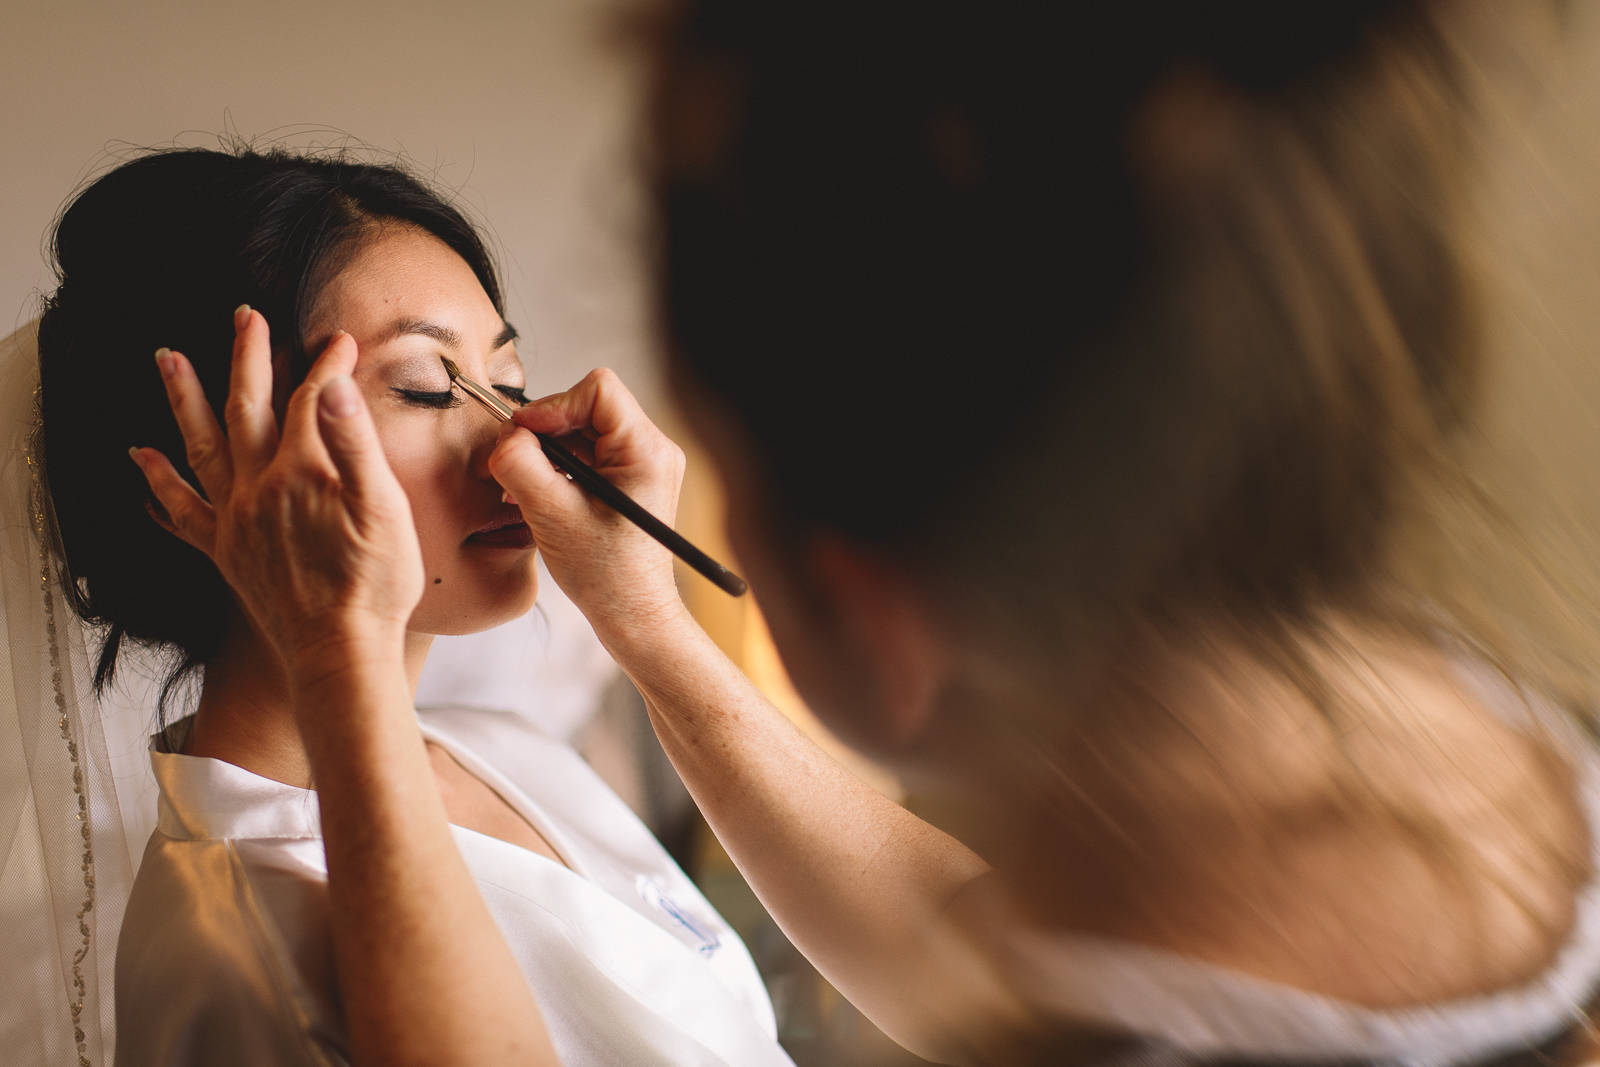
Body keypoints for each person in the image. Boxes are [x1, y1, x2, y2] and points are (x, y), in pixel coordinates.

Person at [28, 147, 799, 1066]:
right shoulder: (234, 937)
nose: (522, 449)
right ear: (214, 469)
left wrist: (648, 614)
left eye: (508, 385)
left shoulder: (507, 750)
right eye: (428, 388)